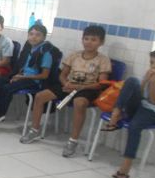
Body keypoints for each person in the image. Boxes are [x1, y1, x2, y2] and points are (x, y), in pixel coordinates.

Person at [22, 25, 111, 156]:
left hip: (88, 88)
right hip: (69, 85)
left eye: (93, 40)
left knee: (79, 103)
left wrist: (81, 87)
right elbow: (62, 75)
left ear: (101, 42)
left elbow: (101, 84)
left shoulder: (103, 60)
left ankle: (73, 140)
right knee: (40, 96)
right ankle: (34, 130)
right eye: (86, 39)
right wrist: (66, 84)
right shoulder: (74, 55)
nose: (89, 42)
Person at [102, 48, 155, 178]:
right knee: (132, 80)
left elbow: (154, 101)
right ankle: (116, 113)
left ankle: (126, 167)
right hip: (140, 105)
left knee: (134, 126)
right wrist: (145, 81)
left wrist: (153, 83)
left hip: (153, 112)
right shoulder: (150, 74)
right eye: (152, 63)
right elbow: (139, 93)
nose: (154, 66)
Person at [0, 24, 54, 125]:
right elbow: (22, 67)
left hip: (34, 81)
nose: (34, 37)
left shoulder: (46, 53)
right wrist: (17, 75)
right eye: (31, 34)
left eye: (38, 35)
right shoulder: (29, 49)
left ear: (44, 37)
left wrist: (22, 77)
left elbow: (44, 75)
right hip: (22, 77)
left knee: (7, 87)